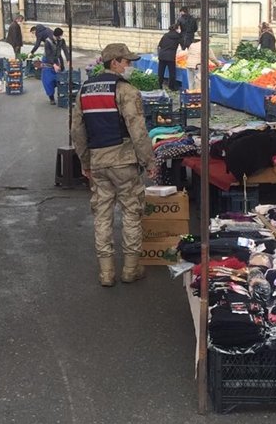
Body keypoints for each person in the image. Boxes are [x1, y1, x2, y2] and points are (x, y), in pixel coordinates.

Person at [71, 43, 156, 286]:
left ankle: (106, 272)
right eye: (127, 61)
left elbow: (77, 130)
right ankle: (131, 268)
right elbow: (137, 130)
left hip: (97, 161)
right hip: (123, 161)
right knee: (131, 211)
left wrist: (85, 161)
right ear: (115, 62)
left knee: (102, 214)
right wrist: (148, 160)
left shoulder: (84, 90)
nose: (129, 65)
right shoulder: (126, 91)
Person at [30, 25, 65, 104]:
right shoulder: (47, 31)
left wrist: (62, 65)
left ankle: (58, 96)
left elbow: (59, 54)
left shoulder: (42, 34)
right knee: (49, 80)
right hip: (48, 61)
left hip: (53, 60)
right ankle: (52, 98)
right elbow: (49, 55)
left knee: (54, 80)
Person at [156, 22, 184, 91]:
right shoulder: (178, 36)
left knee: (160, 72)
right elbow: (183, 46)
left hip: (162, 55)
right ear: (176, 29)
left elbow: (160, 45)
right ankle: (171, 87)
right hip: (171, 56)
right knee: (172, 72)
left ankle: (159, 85)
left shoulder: (165, 35)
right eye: (179, 28)